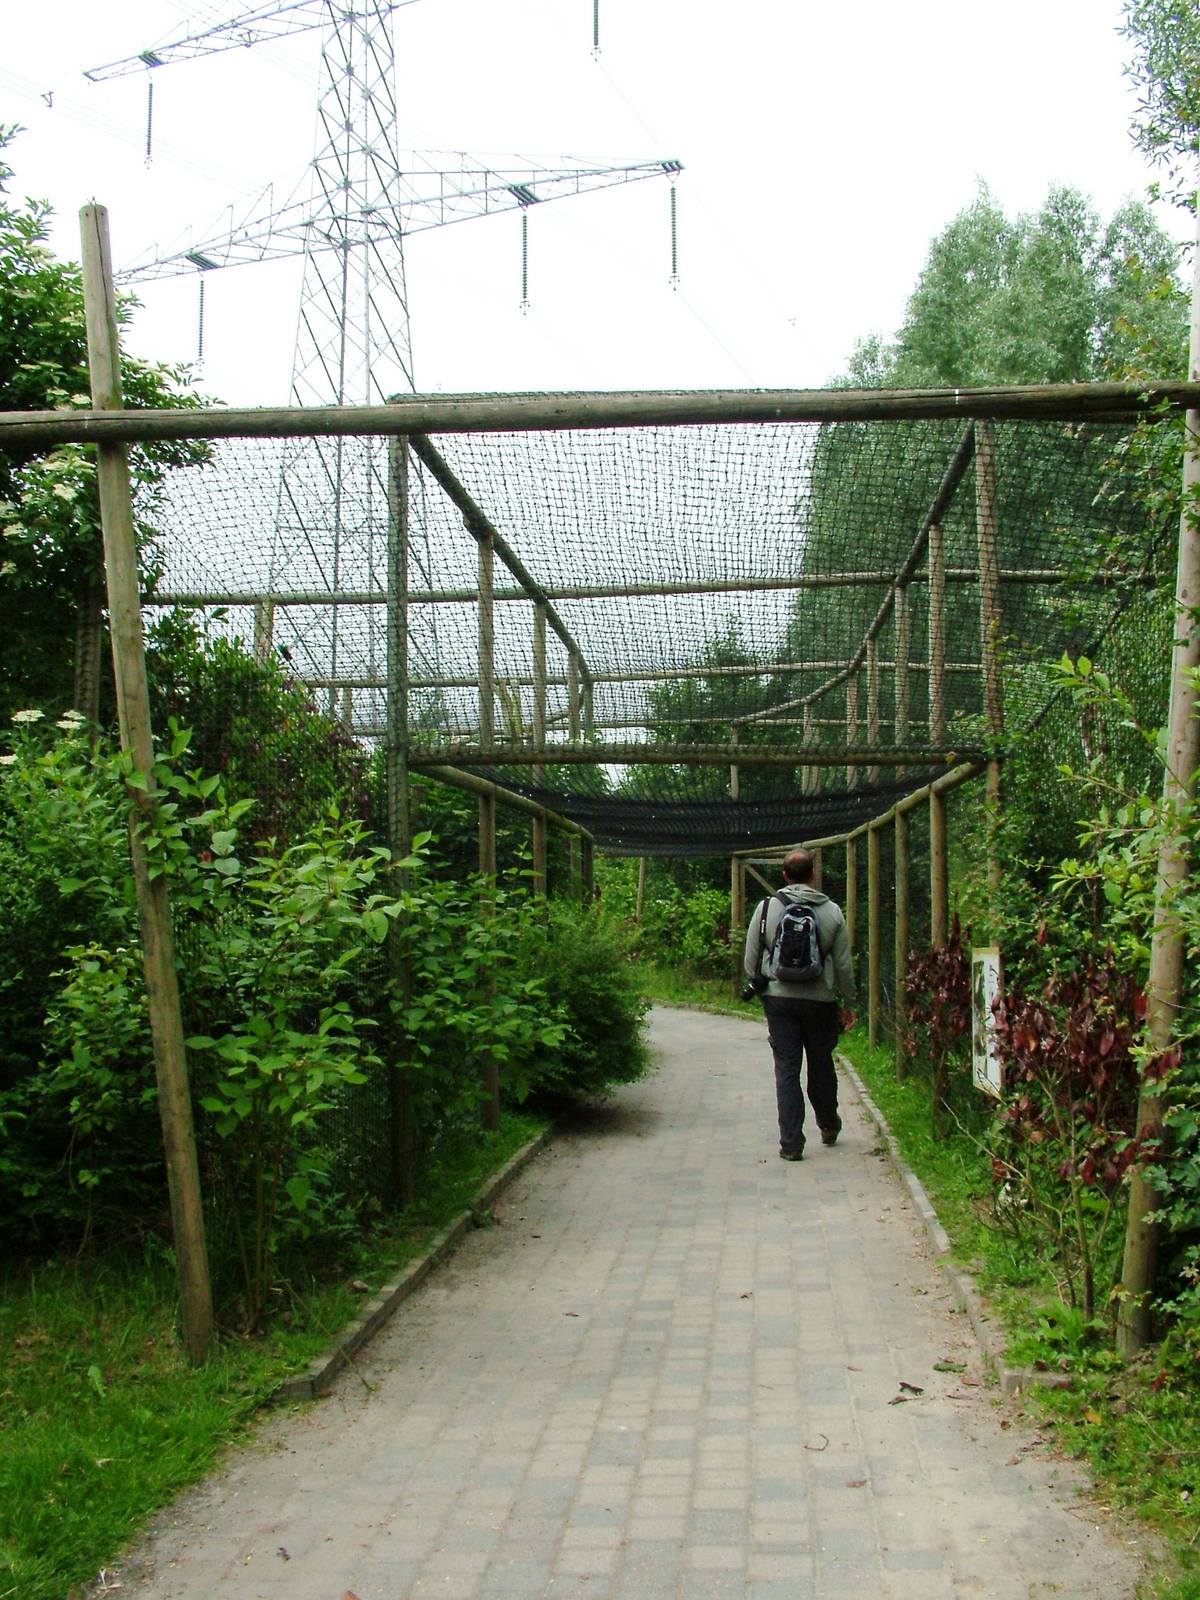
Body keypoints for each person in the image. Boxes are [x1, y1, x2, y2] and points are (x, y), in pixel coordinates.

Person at [743, 848, 857, 1160]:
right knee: (821, 1062)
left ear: (784, 875)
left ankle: (791, 1143)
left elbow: (750, 958)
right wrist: (847, 1001)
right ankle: (829, 1123)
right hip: (821, 1000)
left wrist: (765, 982)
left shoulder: (766, 908)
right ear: (812, 875)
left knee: (787, 1070)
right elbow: (844, 965)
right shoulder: (831, 911)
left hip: (779, 1001)